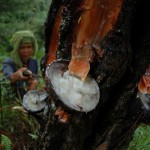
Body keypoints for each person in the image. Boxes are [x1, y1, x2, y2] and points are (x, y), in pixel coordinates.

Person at [2, 30, 39, 99]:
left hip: (27, 97)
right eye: (22, 47)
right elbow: (8, 77)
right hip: (12, 99)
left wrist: (33, 82)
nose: (26, 50)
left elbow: (35, 76)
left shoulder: (33, 62)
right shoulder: (9, 62)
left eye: (29, 47)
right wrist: (17, 75)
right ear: (16, 48)